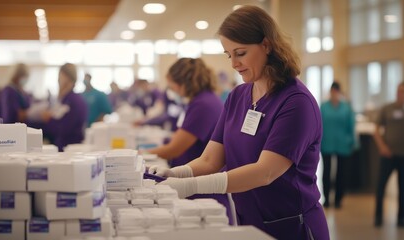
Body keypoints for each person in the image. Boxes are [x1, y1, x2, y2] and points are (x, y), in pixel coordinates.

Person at [148, 6, 329, 239]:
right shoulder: (238, 96)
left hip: (292, 225)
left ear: (266, 45)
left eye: (240, 53)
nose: (233, 63)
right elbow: (210, 159)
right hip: (247, 220)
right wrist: (176, 174)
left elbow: (265, 172)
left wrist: (192, 186)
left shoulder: (296, 102)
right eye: (228, 55)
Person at [147, 58, 231, 221]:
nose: (171, 90)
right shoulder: (200, 101)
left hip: (201, 184)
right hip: (194, 176)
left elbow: (175, 148)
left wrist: (140, 154)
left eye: (172, 85)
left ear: (183, 82)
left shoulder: (203, 104)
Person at [320, 81, 355, 209]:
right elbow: (319, 125)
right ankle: (327, 199)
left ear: (340, 93)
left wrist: (353, 142)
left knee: (341, 172)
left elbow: (351, 126)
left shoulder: (346, 107)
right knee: (327, 171)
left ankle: (339, 199)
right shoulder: (324, 107)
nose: (334, 94)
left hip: (343, 143)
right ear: (330, 92)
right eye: (332, 91)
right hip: (326, 143)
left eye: (336, 91)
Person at [373, 81, 404, 227]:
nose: (400, 94)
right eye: (399, 91)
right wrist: (382, 146)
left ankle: (401, 218)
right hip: (388, 154)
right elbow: (376, 129)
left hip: (402, 155)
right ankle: (378, 216)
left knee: (402, 188)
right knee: (381, 186)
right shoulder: (388, 108)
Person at [41, 63, 88, 151]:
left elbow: (64, 129)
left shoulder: (73, 101)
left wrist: (48, 119)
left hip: (69, 149)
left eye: (60, 76)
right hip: (63, 147)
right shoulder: (65, 99)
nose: (58, 80)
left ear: (67, 77)